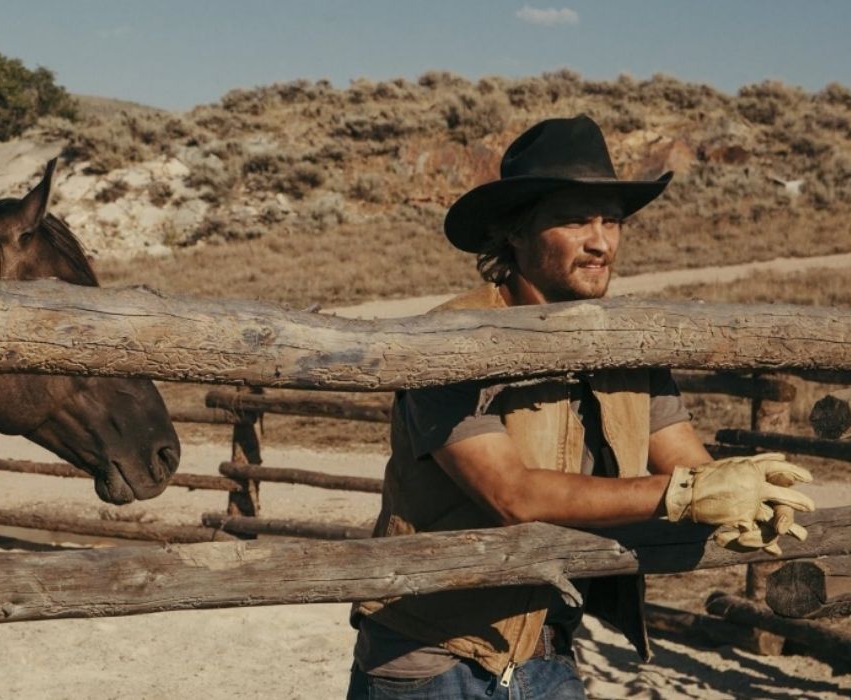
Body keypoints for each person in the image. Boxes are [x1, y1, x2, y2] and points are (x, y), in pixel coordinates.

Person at [346, 115, 815, 700]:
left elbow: (684, 461)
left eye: (611, 220)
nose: (601, 241)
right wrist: (687, 496)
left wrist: (743, 492)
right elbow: (512, 494)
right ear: (514, 233)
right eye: (574, 220)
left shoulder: (626, 346)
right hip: (434, 658)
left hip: (546, 653)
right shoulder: (449, 344)